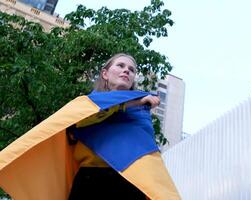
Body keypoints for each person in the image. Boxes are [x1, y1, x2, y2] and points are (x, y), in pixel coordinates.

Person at [0, 53, 181, 200]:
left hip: (130, 183)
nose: (126, 70)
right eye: (120, 66)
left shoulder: (141, 111)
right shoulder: (86, 105)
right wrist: (127, 104)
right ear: (105, 73)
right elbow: (80, 123)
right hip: (91, 181)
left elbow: (147, 155)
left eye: (131, 70)